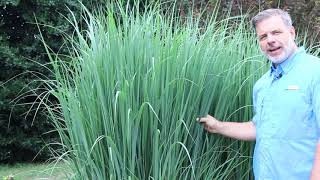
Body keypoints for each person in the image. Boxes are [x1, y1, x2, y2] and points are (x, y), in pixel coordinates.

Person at [198, 8, 320, 180]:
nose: (270, 40)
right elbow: (260, 128)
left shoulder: (315, 71)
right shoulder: (263, 84)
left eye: (276, 32)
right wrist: (218, 126)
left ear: (292, 32)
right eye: (263, 36)